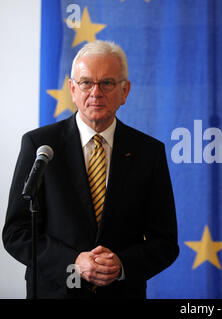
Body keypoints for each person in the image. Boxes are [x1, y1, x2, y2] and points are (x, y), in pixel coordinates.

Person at [3, 40, 179, 298]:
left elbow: (165, 242)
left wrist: (122, 265)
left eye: (106, 83)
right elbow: (16, 233)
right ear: (72, 89)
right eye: (86, 82)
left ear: (125, 91)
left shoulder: (148, 152)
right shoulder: (39, 145)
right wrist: (73, 262)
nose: (95, 92)